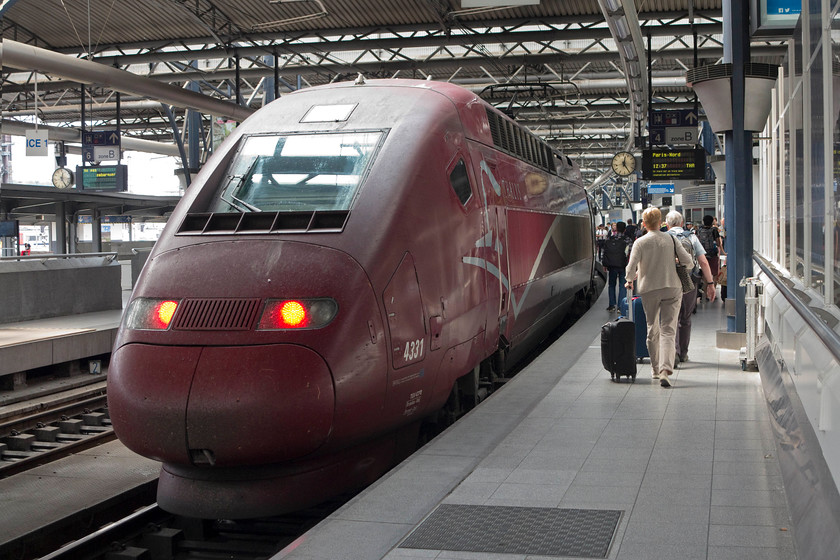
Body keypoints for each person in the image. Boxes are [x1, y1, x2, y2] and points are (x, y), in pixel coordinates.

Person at [625, 207, 693, 387]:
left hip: (649, 289)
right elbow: (688, 262)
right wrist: (676, 262)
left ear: (644, 224)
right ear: (661, 222)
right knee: (669, 330)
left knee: (652, 328)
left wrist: (629, 280)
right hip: (672, 287)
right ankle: (665, 370)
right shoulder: (670, 239)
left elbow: (631, 268)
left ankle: (655, 370)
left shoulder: (640, 242)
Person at [665, 211, 716, 364]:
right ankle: (683, 353)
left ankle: (672, 352)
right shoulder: (691, 237)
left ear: (667, 224)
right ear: (681, 223)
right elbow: (703, 262)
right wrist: (711, 284)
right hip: (689, 281)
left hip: (669, 282)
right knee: (685, 318)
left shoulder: (664, 237)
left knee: (670, 318)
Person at [602, 221, 629, 312]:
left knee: (612, 285)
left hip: (612, 265)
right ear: (625, 230)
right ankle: (621, 307)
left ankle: (611, 305)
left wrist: (604, 264)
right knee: (622, 285)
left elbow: (605, 251)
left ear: (616, 228)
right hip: (622, 265)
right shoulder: (627, 239)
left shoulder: (609, 238)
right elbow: (630, 253)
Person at [697, 215, 725, 291]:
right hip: (713, 254)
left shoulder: (699, 230)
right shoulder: (714, 230)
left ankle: (705, 291)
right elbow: (719, 243)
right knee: (715, 273)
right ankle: (712, 291)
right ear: (712, 221)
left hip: (702, 254)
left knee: (704, 273)